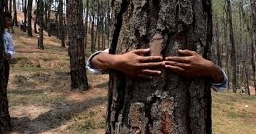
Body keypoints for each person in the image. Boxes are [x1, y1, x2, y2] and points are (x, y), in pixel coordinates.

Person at [86, 48, 227, 91]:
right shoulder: (126, 46)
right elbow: (93, 62)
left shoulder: (198, 46)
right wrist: (119, 61)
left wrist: (208, 68)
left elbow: (221, 83)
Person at [2, 12, 15, 90]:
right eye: (7, 20)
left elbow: (11, 49)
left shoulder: (8, 35)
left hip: (5, 63)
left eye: (10, 20)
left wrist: (9, 54)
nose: (9, 22)